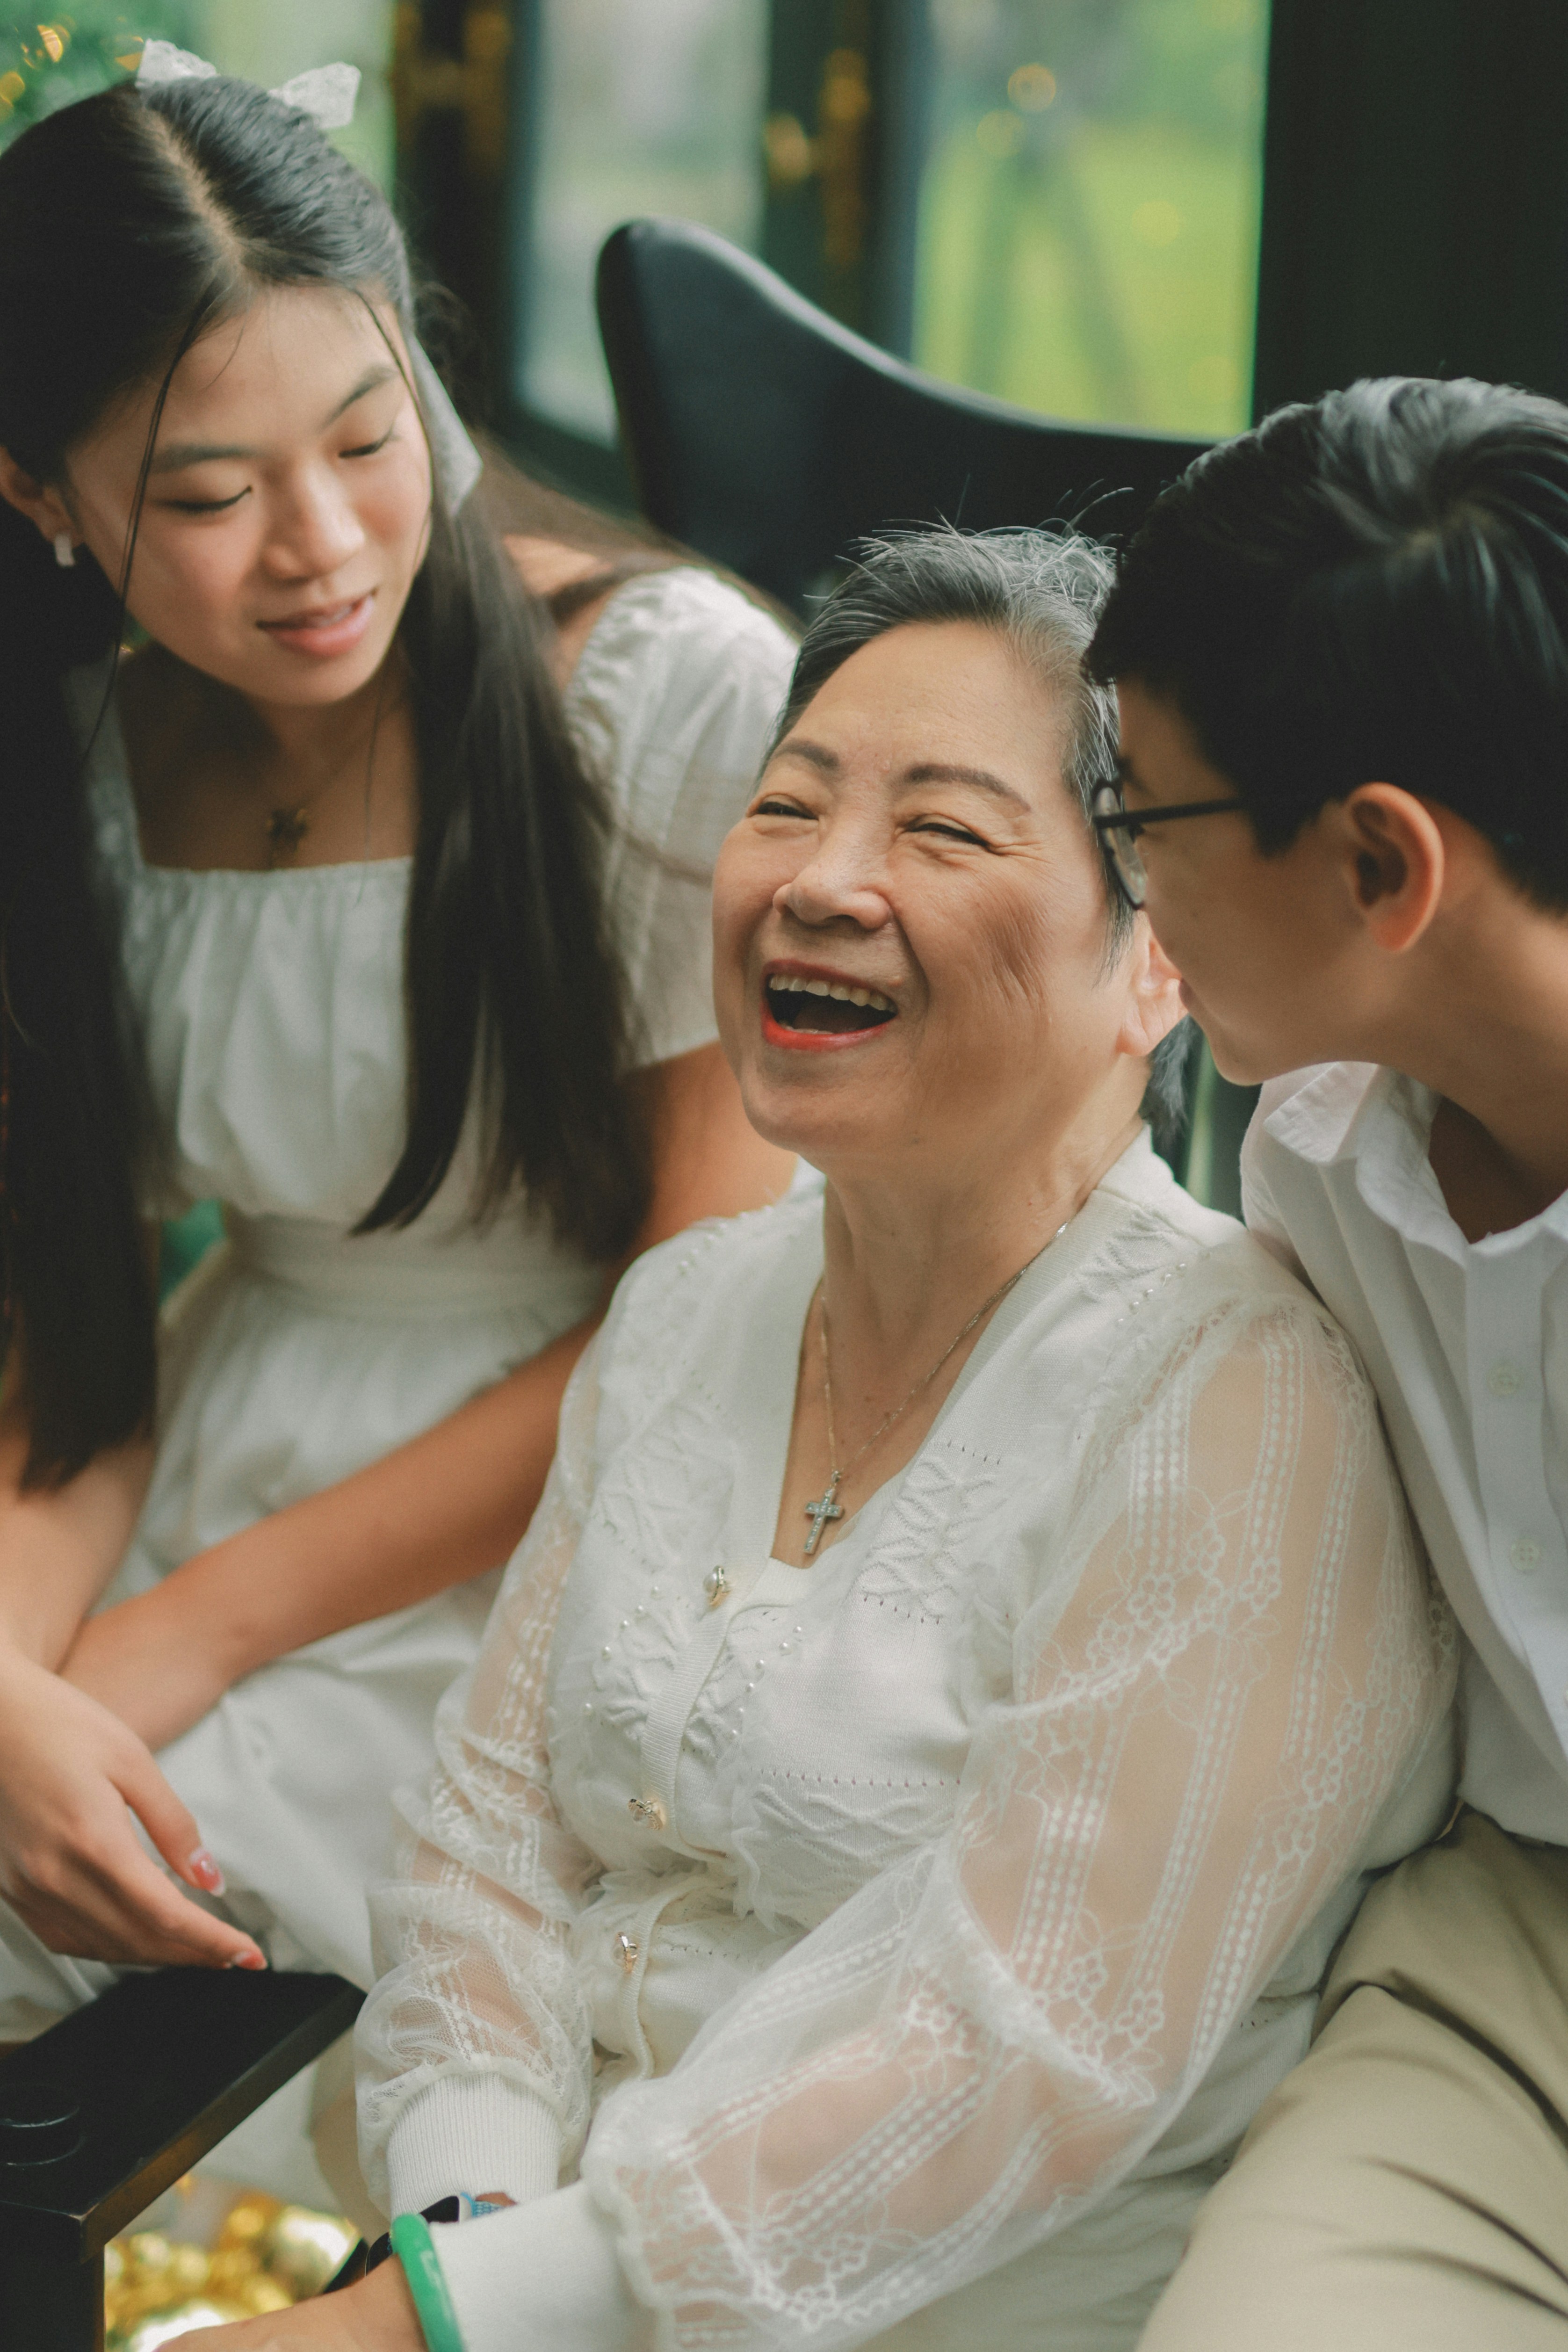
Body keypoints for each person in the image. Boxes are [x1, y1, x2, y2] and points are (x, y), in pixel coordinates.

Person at [194, 526, 1455, 2352]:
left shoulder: (1243, 1409)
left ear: (1157, 969)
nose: (822, 881)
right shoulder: (688, 1310)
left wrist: (448, 2325)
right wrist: (463, 2224)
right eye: (784, 806)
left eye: (941, 831)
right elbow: (485, 1844)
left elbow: (1013, 2048)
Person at [0, 53, 795, 2204]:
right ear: (40, 494)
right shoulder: (72, 763)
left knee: (184, 1915)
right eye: (205, 491)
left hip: (575, 1501)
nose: (325, 543)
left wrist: (186, 1641)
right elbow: (72, 1339)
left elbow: (700, 1307)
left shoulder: (648, 700)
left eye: (367, 436)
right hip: (218, 1423)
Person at [1080, 375, 1568, 2350]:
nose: (1124, 880)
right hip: (1508, 1957)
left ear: (1380, 865)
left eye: (1141, 817)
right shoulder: (1314, 1154)